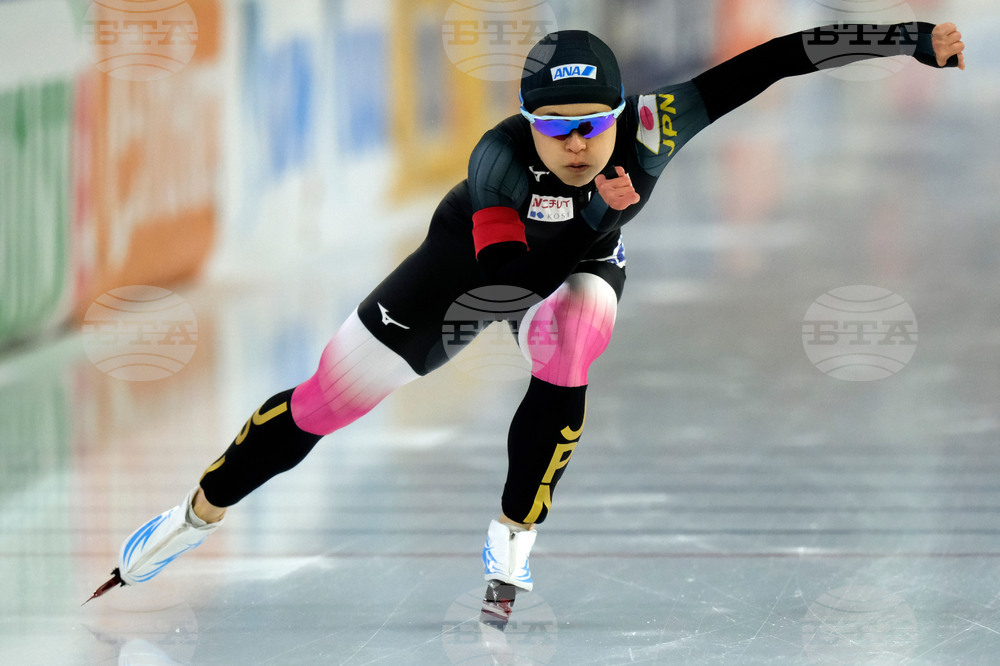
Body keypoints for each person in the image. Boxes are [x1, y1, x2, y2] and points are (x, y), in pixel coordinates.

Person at [89, 21, 966, 621]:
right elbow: (507, 281)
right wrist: (602, 213)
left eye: (592, 126)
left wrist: (911, 37)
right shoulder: (500, 160)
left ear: (621, 114)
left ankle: (512, 536)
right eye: (555, 128)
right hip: (468, 267)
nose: (576, 144)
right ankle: (191, 517)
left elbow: (779, 57)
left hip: (579, 268)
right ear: (528, 124)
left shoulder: (658, 124)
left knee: (573, 336)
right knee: (326, 403)